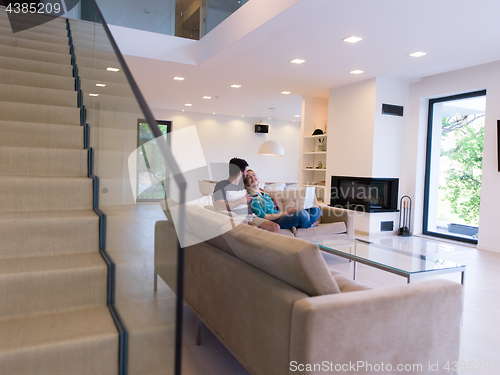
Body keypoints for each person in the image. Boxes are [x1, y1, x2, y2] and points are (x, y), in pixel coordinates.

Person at [213, 158, 280, 233]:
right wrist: (240, 201)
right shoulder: (221, 185)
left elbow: (258, 189)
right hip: (236, 217)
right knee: (253, 227)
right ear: (240, 173)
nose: (247, 174)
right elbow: (219, 206)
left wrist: (273, 197)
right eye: (245, 172)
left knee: (275, 227)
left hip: (251, 216)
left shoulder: (242, 184)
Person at [244, 169, 321, 231]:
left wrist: (274, 198)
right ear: (246, 183)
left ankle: (299, 225)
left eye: (253, 175)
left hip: (281, 217)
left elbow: (267, 194)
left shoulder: (264, 193)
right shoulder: (252, 197)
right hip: (274, 221)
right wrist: (286, 213)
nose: (252, 177)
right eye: (249, 177)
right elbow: (264, 217)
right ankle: (310, 225)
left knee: (316, 211)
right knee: (302, 213)